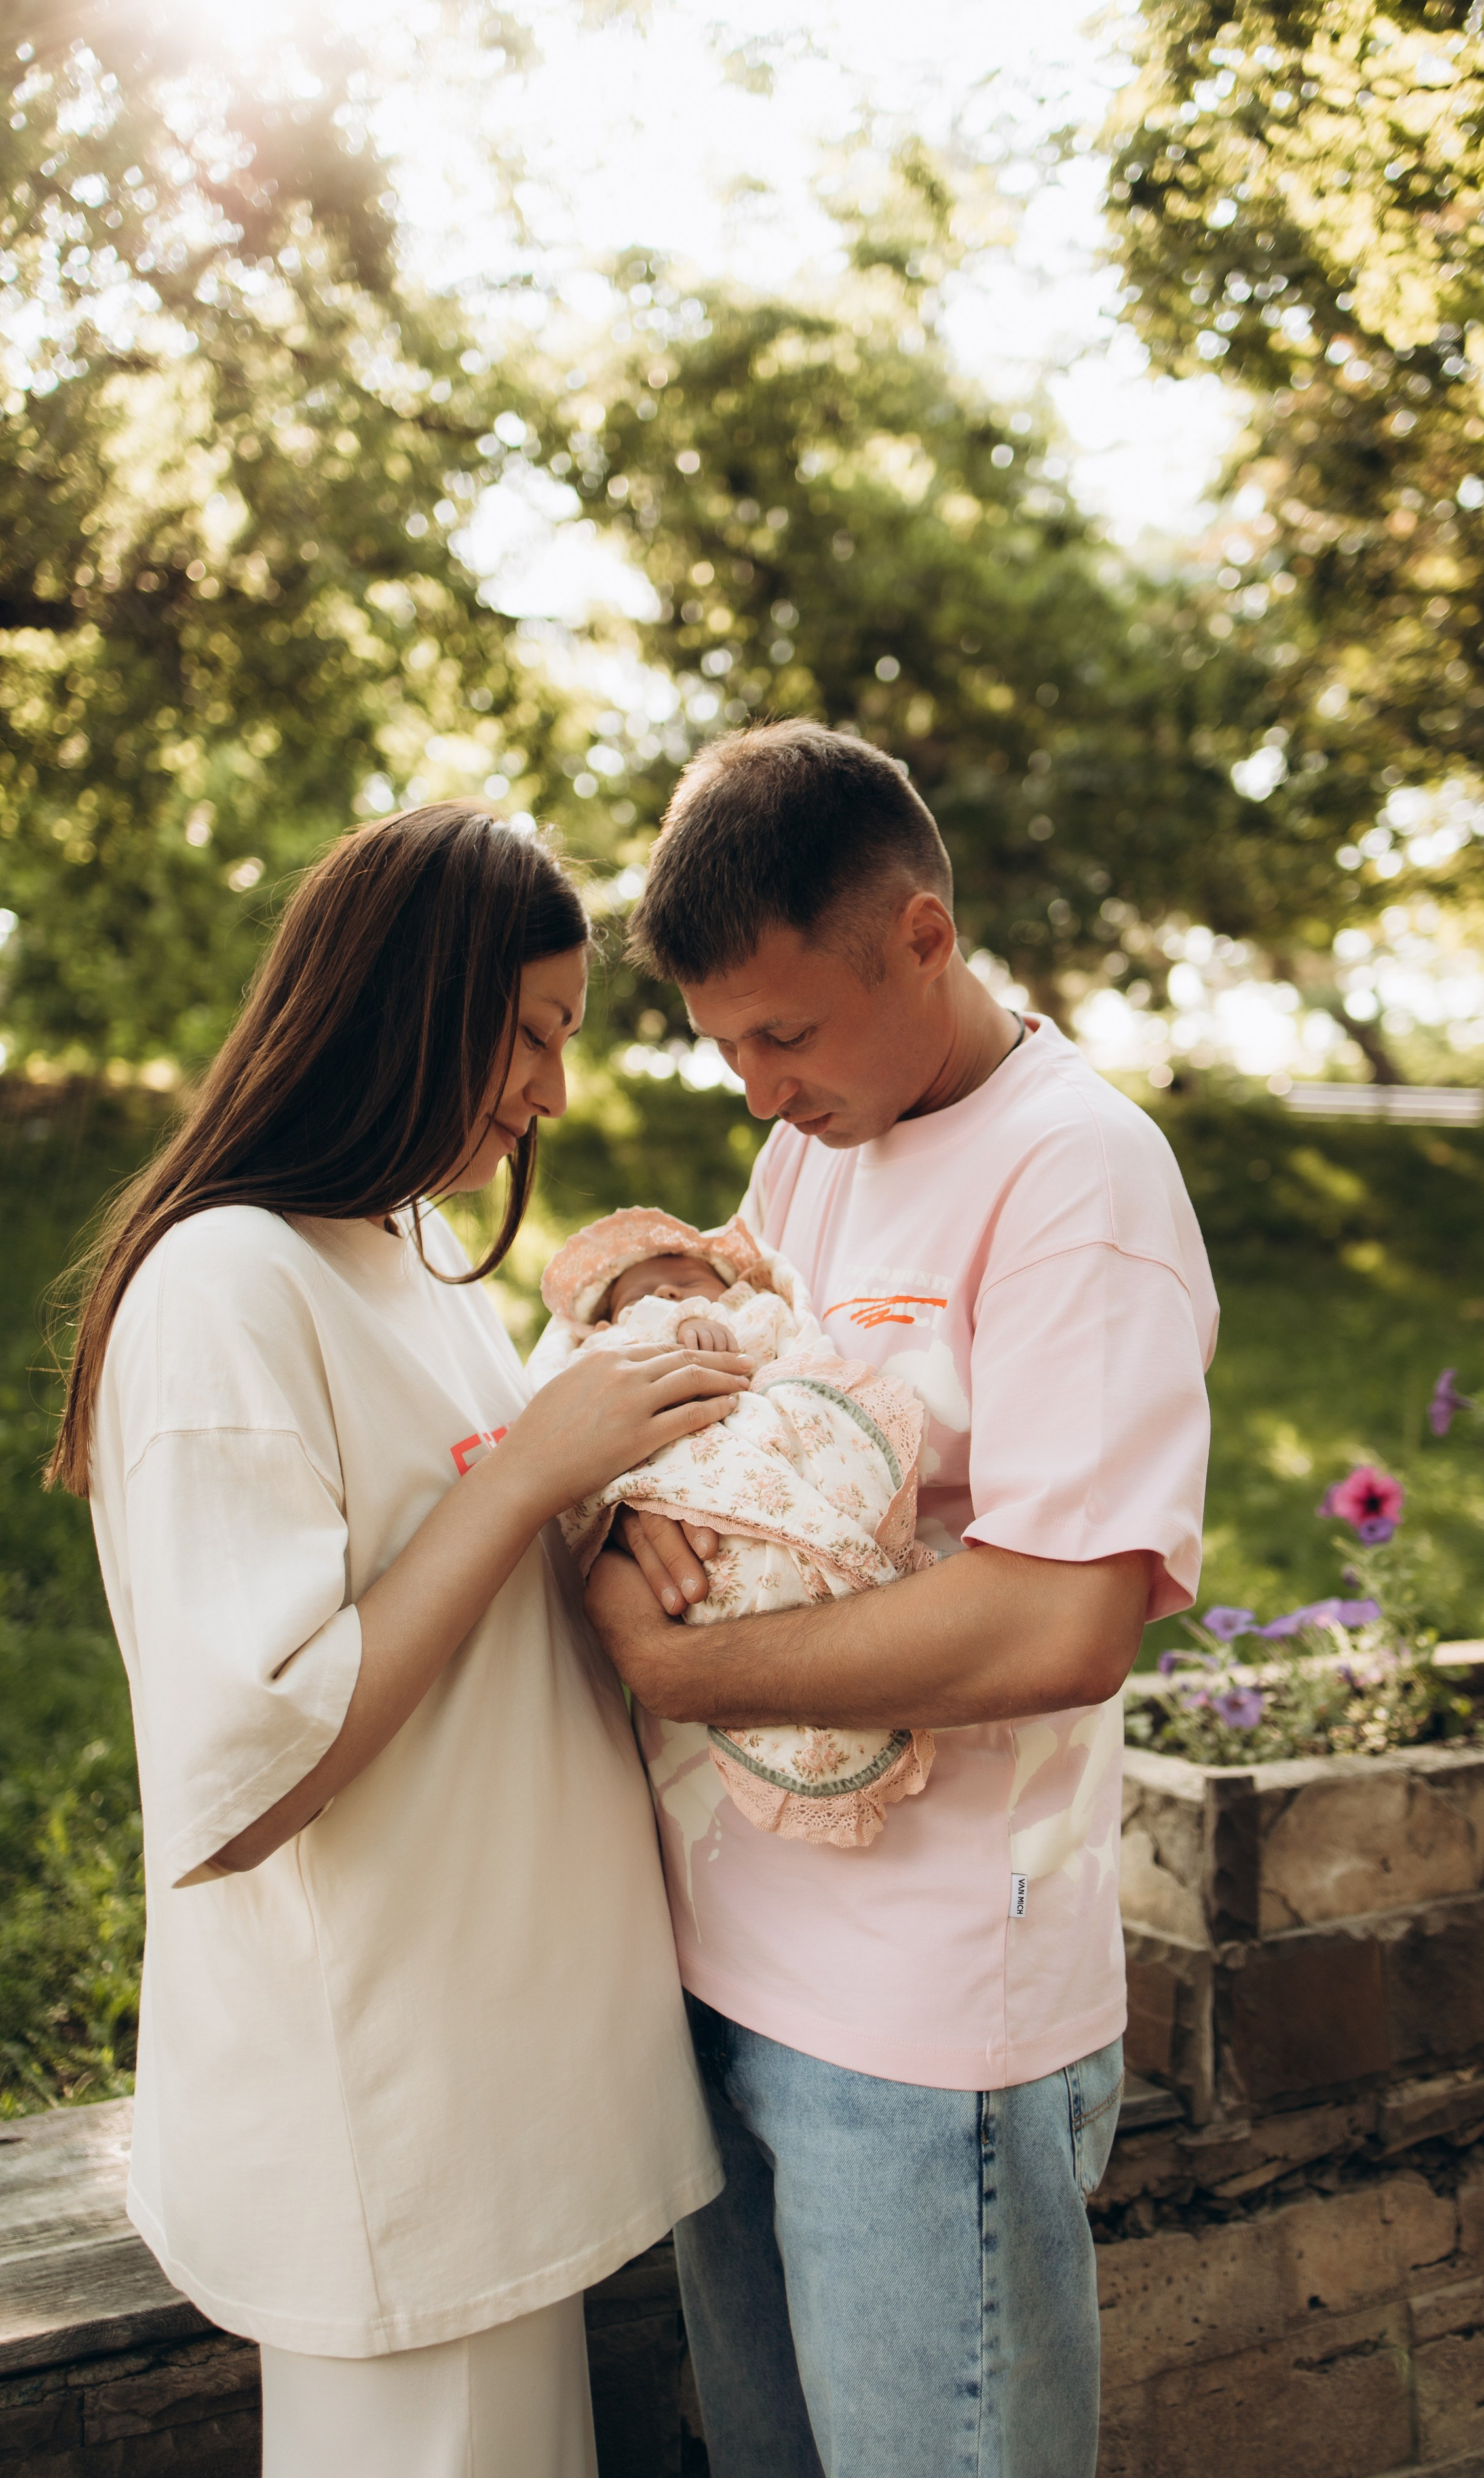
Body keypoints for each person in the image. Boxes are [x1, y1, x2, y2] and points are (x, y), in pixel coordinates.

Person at [47, 802, 753, 2477]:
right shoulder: (225, 1287)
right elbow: (257, 1763)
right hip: (387, 2107)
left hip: (496, 2079)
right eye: (525, 1034)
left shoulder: (408, 1249)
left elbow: (474, 1555)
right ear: (403, 1008)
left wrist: (606, 1505)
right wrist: (528, 1479)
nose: (550, 1093)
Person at [585, 721, 1219, 2478]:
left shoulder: (1078, 1182)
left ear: (923, 937)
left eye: (784, 1032)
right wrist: (645, 1526)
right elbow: (737, 1432)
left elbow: (1061, 1621)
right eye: (723, 1047)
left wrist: (682, 1670)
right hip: (730, 1967)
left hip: (932, 2031)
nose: (756, 1092)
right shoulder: (809, 1151)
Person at [531, 1207, 935, 1847]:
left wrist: (719, 1326)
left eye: (690, 1284)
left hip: (767, 1441)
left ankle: (833, 1575)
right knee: (726, 1579)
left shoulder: (754, 1314)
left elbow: (785, 1346)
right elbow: (588, 1398)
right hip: (682, 1496)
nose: (666, 1295)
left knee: (809, 1540)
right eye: (639, 1295)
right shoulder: (609, 1347)